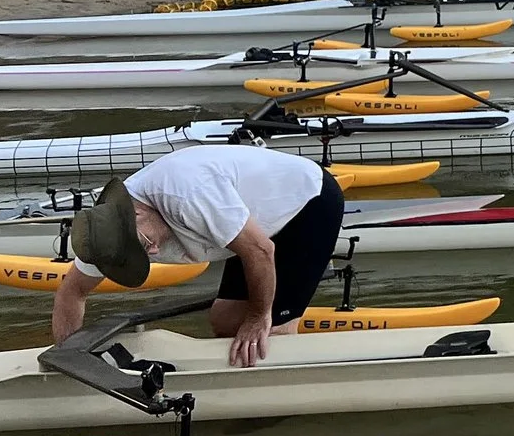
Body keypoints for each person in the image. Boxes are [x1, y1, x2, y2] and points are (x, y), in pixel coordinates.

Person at [51, 146, 345, 366]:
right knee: (224, 320)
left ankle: (280, 393)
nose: (153, 252)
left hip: (307, 205)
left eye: (145, 243)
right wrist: (68, 358)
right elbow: (71, 293)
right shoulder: (104, 234)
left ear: (137, 213)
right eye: (138, 254)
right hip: (247, 226)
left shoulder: (187, 196)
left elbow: (260, 250)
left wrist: (259, 317)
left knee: (270, 330)